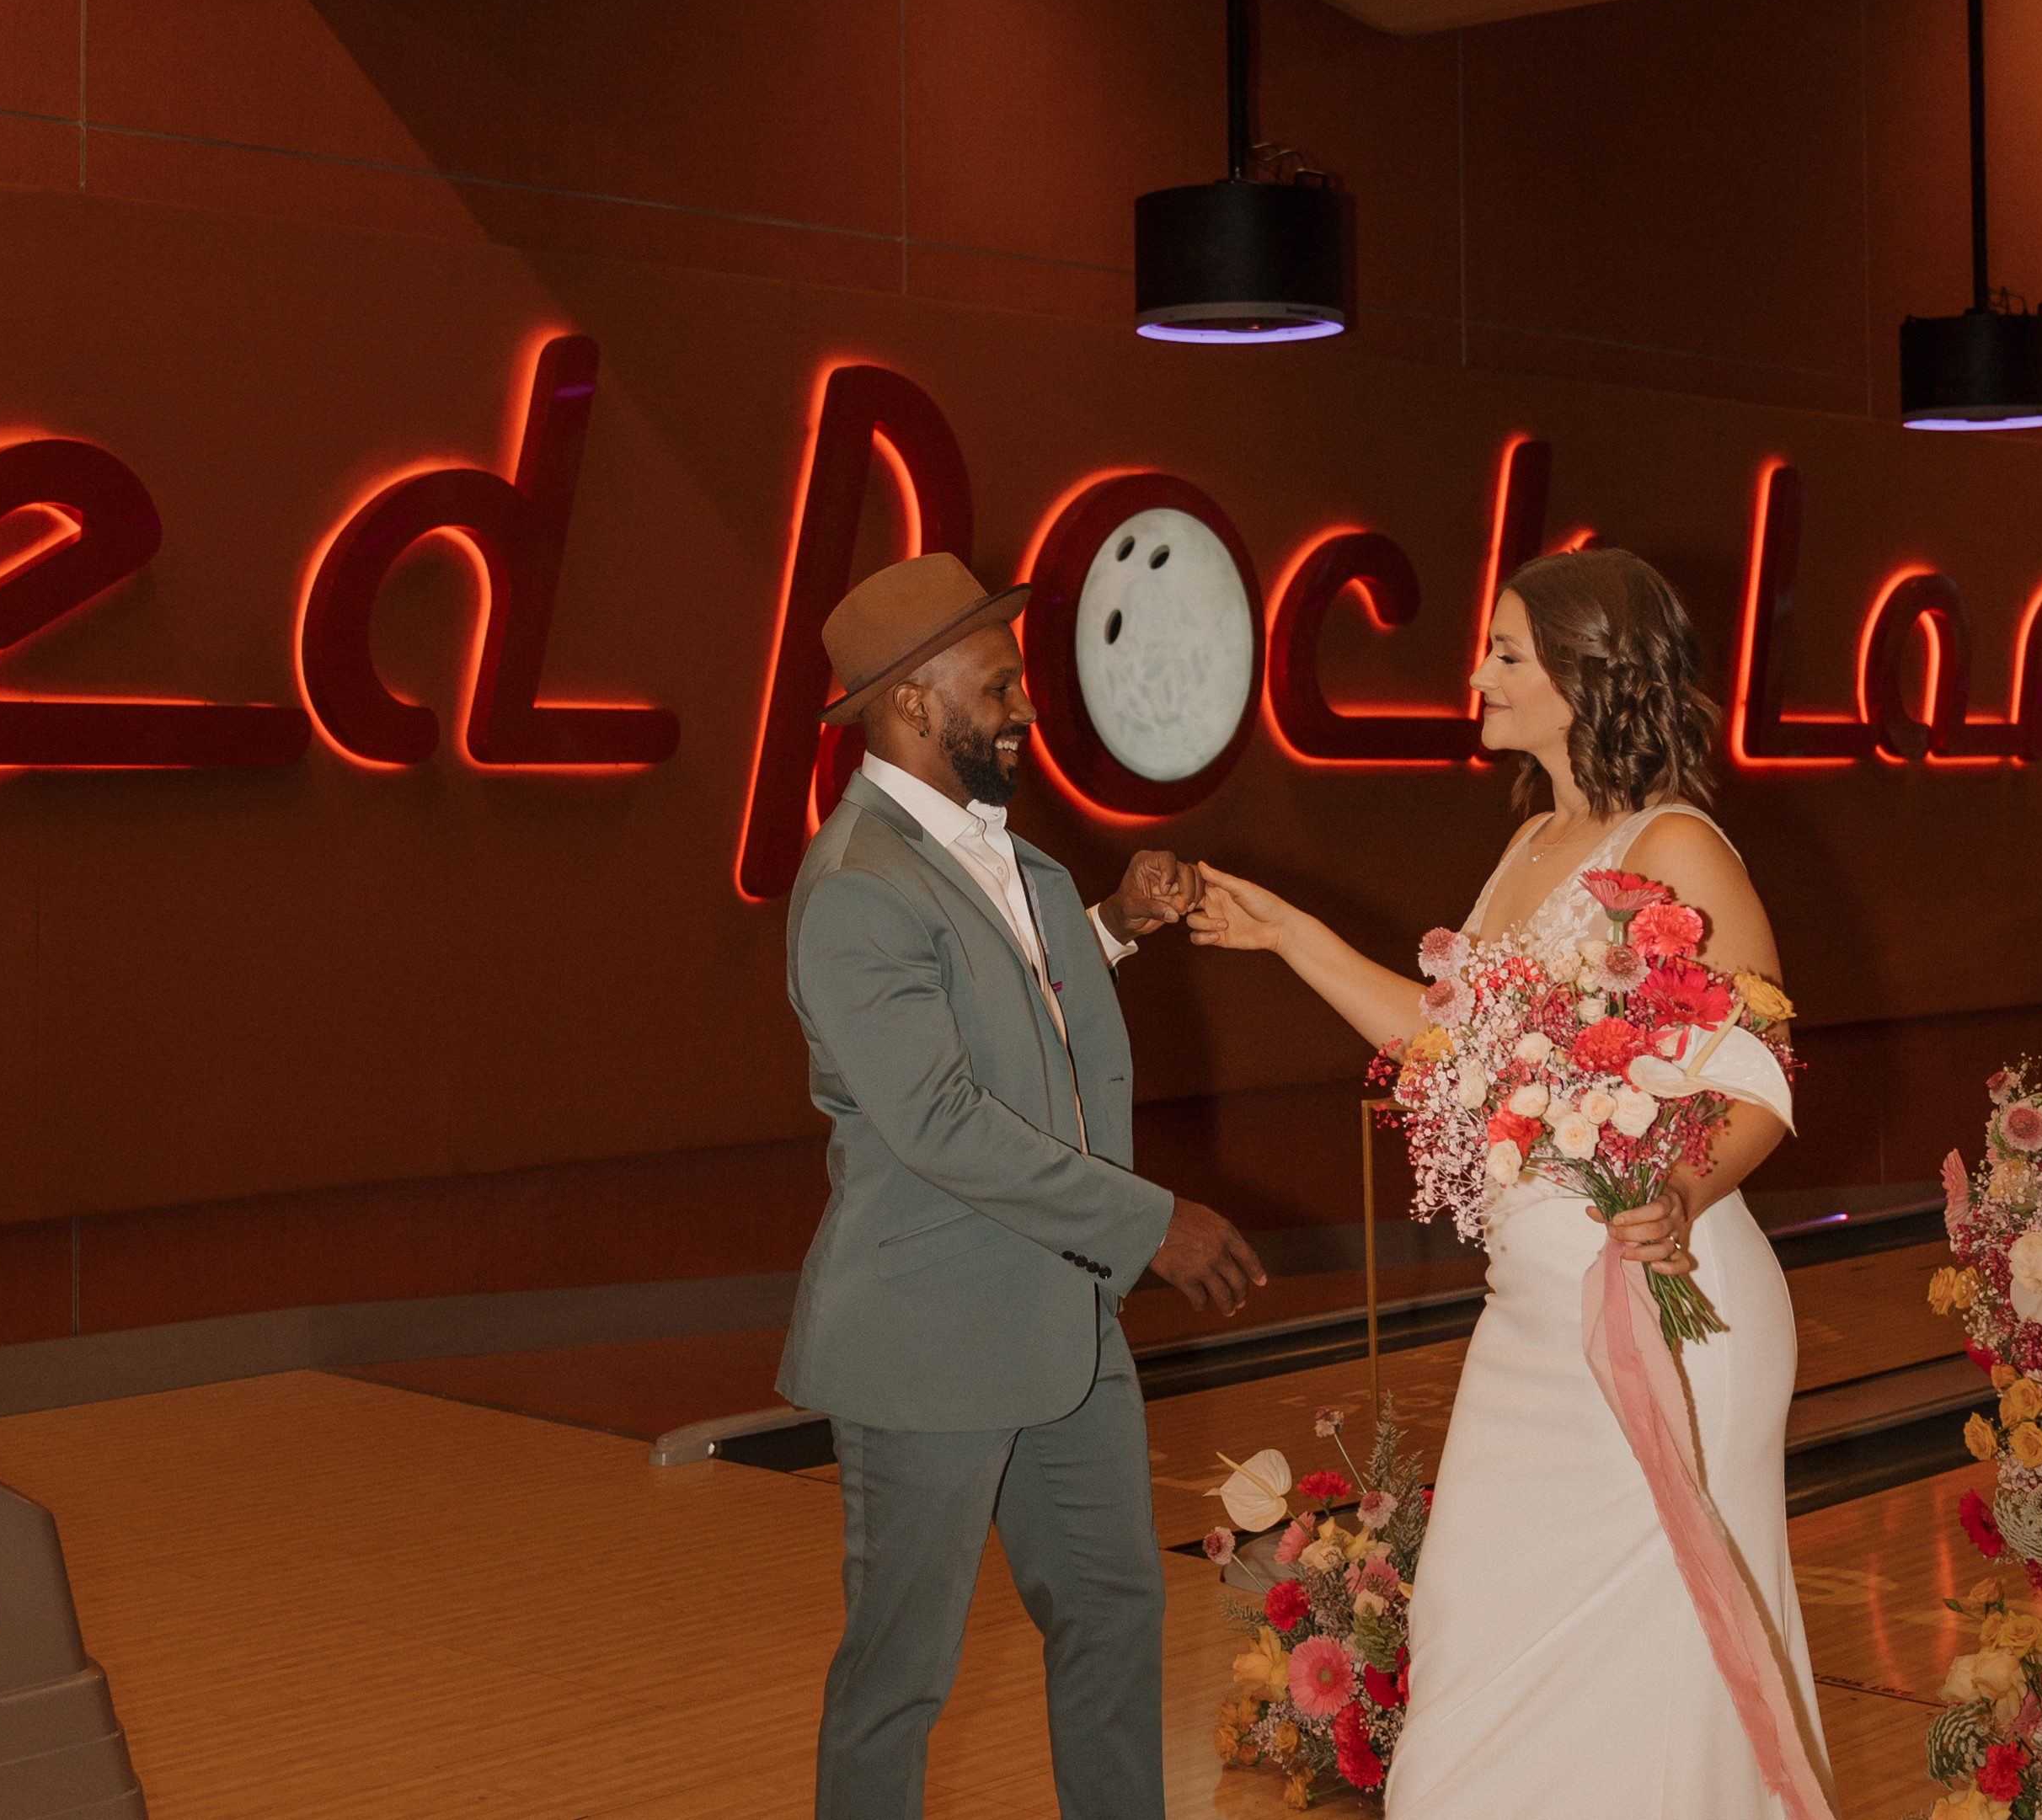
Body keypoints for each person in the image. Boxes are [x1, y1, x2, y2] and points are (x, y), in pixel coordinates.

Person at [1184, 547, 1832, 1817]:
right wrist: (1286, 937)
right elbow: (1449, 1045)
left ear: (1589, 681)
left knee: (1664, 1678)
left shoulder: (1681, 848)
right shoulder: (1532, 839)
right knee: (1472, 1646)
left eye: (1507, 653)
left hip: (1668, 1311)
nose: (1476, 672)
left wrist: (1685, 1191)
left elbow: (1761, 1070)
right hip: (1530, 1329)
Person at [777, 552, 1268, 1820]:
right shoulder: (854, 890)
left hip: (1064, 1327)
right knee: (902, 1676)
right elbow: (940, 1115)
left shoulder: (1014, 860)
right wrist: (1153, 1221)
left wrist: (1112, 921)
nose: (1026, 708)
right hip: (929, 1338)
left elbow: (1014, 1009)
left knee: (1112, 1619)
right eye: (998, 686)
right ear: (913, 704)